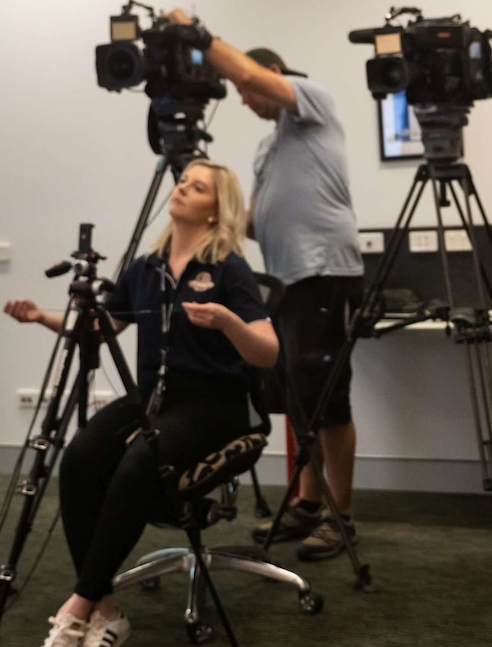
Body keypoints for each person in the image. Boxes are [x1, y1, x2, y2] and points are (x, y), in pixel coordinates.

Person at [5, 159, 278, 647]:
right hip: (154, 401)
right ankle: (106, 609)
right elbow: (103, 327)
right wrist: (42, 317)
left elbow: (267, 349)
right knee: (80, 460)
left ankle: (78, 605)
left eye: (197, 188)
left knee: (136, 467)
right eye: (182, 182)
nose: (181, 189)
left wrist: (226, 322)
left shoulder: (228, 269)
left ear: (216, 211)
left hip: (215, 404)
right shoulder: (145, 268)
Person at [165, 9, 365, 561]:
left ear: (275, 74)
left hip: (323, 270)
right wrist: (212, 207)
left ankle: (341, 515)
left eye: (246, 89)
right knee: (296, 398)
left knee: (328, 400)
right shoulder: (266, 147)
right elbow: (254, 222)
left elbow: (251, 77)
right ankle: (306, 505)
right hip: (284, 279)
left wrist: (199, 39)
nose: (243, 99)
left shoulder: (312, 102)